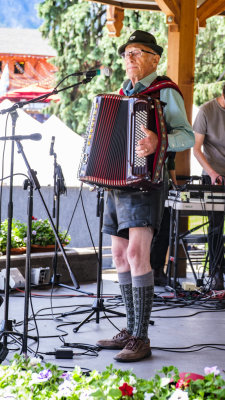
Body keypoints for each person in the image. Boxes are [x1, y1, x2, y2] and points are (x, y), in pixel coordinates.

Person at [96, 30, 195, 362]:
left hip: (146, 182)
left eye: (137, 52)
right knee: (120, 256)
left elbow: (188, 136)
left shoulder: (164, 93)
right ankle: (130, 328)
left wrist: (158, 142)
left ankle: (141, 337)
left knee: (139, 254)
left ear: (154, 58)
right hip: (116, 183)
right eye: (126, 53)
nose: (129, 58)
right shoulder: (121, 94)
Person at [193, 84, 225, 290]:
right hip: (214, 178)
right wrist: (212, 173)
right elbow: (196, 149)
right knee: (215, 228)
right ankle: (215, 274)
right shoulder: (207, 111)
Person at [150, 152, 177, 286]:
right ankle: (145, 273)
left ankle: (157, 271)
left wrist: (175, 187)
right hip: (149, 185)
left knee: (165, 229)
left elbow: (171, 163)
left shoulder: (172, 135)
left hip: (165, 186)